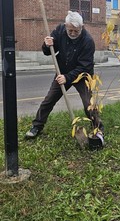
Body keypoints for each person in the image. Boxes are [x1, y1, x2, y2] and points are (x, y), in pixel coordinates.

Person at [25, 11, 103, 139]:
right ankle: (37, 126)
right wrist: (47, 44)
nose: (72, 33)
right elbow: (48, 51)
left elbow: (85, 66)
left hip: (82, 76)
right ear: (66, 25)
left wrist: (68, 77)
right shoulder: (60, 30)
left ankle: (98, 128)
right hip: (62, 73)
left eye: (75, 31)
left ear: (81, 27)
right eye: (70, 30)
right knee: (49, 100)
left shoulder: (88, 41)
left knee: (89, 103)